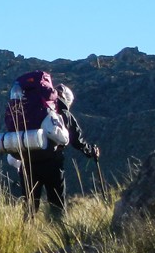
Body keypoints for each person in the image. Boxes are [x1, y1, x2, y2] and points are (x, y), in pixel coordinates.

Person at [17, 83, 98, 215]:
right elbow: (77, 141)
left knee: (30, 206)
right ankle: (60, 232)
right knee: (57, 205)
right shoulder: (65, 114)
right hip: (52, 164)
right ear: (66, 100)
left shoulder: (32, 109)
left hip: (27, 162)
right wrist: (91, 151)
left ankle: (24, 233)